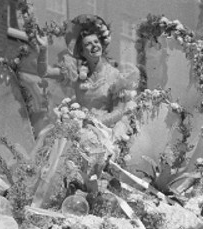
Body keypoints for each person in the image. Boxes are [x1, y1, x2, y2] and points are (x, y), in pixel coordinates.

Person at [32, 15, 139, 207]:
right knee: (49, 136)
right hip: (77, 123)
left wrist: (94, 122)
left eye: (96, 42)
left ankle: (79, 198)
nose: (94, 46)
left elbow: (120, 110)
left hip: (102, 128)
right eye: (88, 44)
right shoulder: (77, 74)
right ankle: (47, 199)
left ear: (102, 45)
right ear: (81, 50)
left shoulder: (116, 75)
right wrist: (43, 49)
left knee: (80, 140)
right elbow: (44, 73)